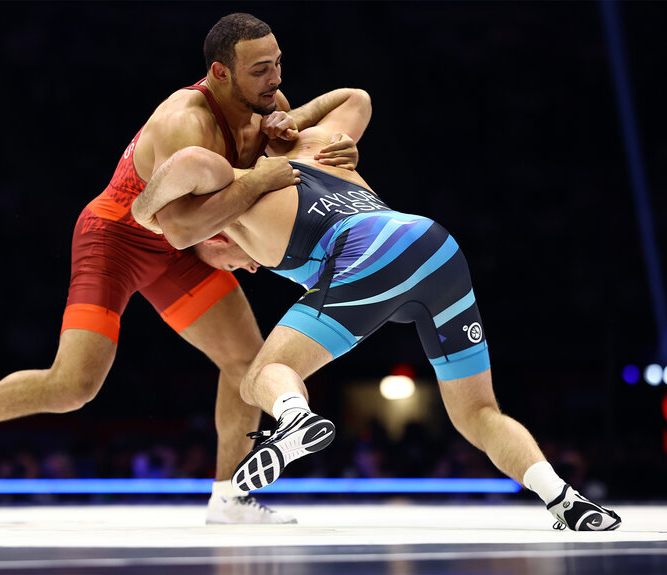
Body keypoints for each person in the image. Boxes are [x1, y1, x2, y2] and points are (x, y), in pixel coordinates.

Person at [0, 13, 360, 525]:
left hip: (180, 246)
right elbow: (177, 225)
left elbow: (340, 109)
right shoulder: (182, 122)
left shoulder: (266, 104)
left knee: (245, 364)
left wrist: (322, 143)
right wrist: (237, 217)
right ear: (220, 72)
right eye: (260, 70)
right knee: (73, 385)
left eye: (277, 64)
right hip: (116, 239)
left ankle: (229, 496)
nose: (275, 79)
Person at [131, 88, 622, 531]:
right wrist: (290, 122)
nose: (244, 268)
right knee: (478, 412)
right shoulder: (317, 145)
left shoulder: (229, 179)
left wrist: (141, 210)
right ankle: (564, 499)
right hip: (433, 245)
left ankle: (293, 417)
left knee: (264, 374)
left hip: (365, 254)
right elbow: (358, 98)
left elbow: (189, 162)